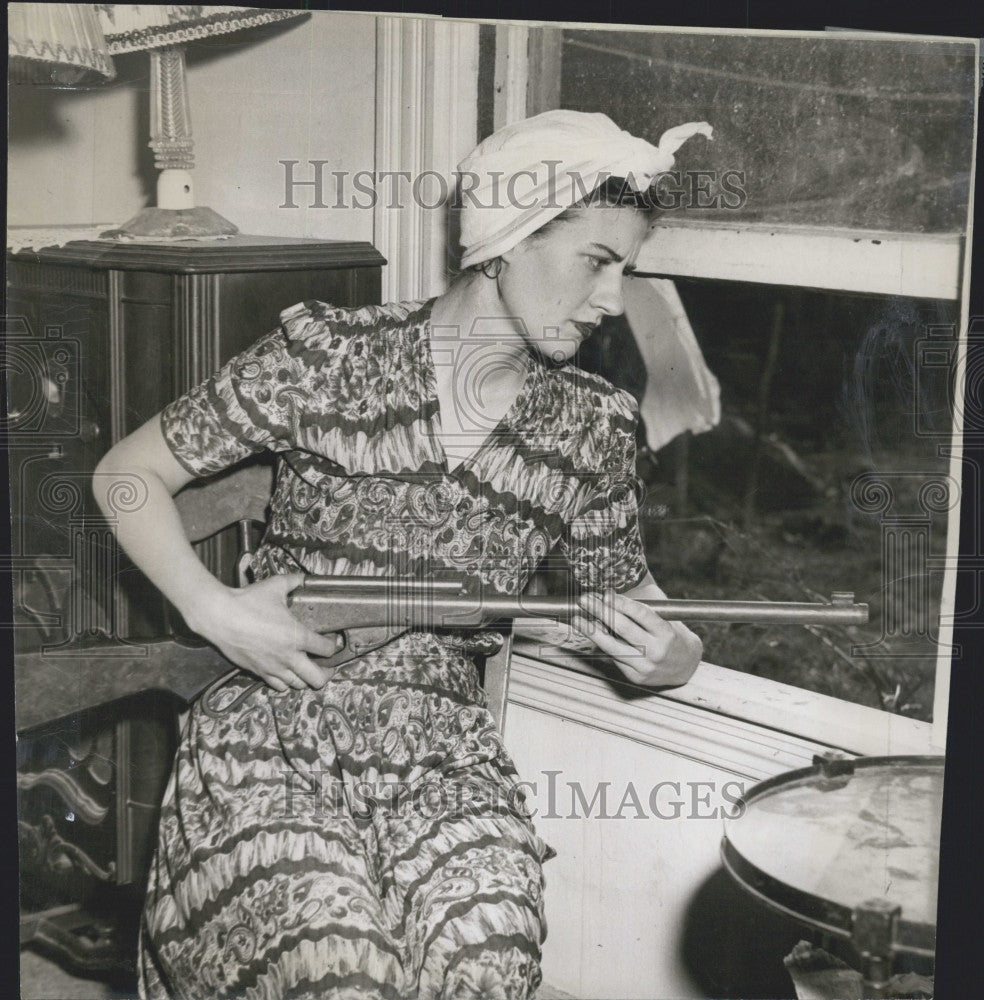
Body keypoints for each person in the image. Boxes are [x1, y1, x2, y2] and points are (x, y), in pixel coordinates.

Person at [94, 110, 710, 1000]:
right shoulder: (329, 355)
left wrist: (671, 657)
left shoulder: (593, 424)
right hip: (275, 735)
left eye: (629, 268)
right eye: (597, 261)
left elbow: (639, 605)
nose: (615, 300)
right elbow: (125, 475)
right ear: (505, 237)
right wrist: (211, 606)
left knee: (486, 963)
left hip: (444, 756)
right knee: (342, 972)